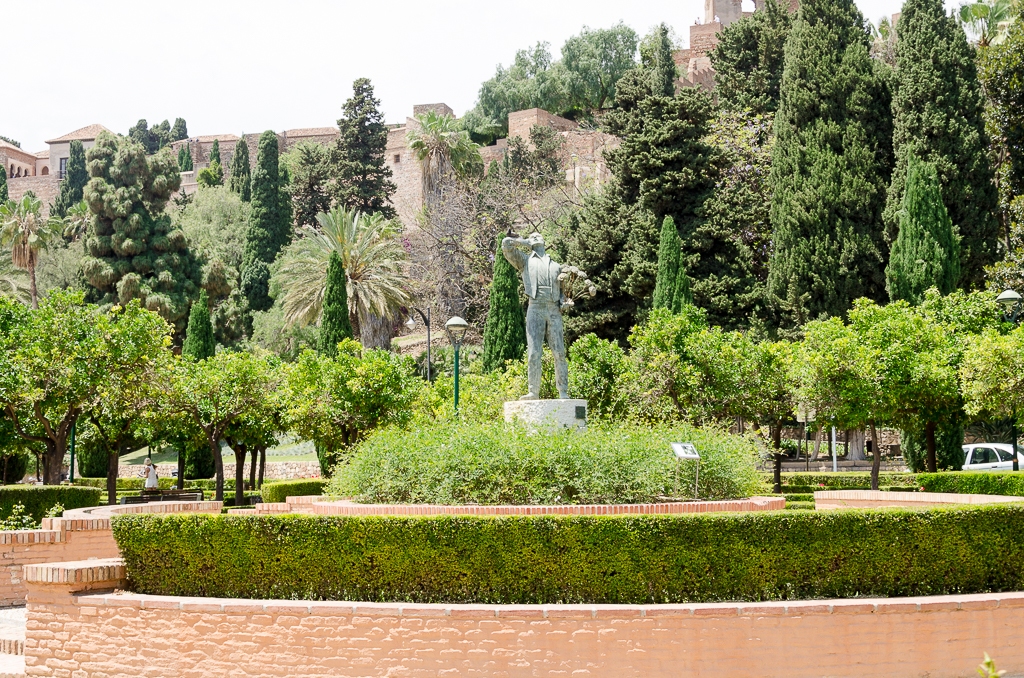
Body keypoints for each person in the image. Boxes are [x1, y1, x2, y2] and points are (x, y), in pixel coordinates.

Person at [501, 232, 569, 400]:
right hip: (535, 307)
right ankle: (533, 392)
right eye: (533, 236)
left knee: (559, 352)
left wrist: (564, 302)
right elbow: (506, 244)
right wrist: (525, 242)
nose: (536, 237)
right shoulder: (524, 261)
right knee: (533, 353)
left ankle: (563, 391)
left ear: (545, 241)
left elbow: (562, 292)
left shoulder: (556, 266)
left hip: (553, 310)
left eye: (539, 236)